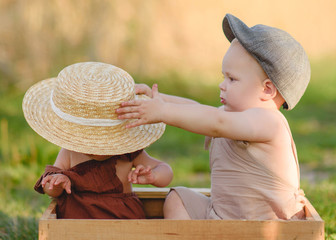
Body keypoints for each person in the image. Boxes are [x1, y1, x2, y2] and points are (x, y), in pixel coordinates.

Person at [116, 14, 310, 220]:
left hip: (265, 224)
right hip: (224, 216)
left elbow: (216, 123)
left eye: (232, 79)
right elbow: (198, 109)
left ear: (268, 89)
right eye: (223, 76)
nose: (222, 84)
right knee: (177, 198)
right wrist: (157, 99)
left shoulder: (269, 123)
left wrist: (163, 112)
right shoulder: (233, 116)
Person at [22, 62, 173, 219]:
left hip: (123, 224)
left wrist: (154, 176)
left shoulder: (129, 154)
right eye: (90, 143)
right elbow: (49, 187)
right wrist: (57, 183)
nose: (96, 149)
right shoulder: (69, 152)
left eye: (104, 143)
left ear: (120, 138)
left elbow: (166, 171)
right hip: (78, 225)